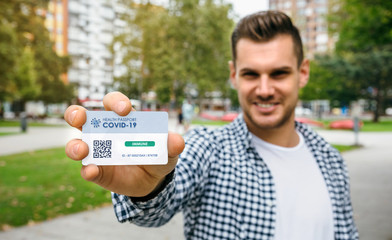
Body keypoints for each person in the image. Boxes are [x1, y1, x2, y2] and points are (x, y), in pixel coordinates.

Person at [64, 11, 358, 240]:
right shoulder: (208, 148)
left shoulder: (331, 160)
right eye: (251, 74)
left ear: (302, 72)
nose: (265, 89)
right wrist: (148, 189)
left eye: (279, 73)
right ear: (233, 75)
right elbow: (160, 207)